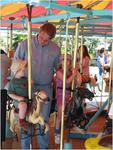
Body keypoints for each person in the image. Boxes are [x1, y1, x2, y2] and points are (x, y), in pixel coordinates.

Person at [13, 23, 61, 149]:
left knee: (43, 119)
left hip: (45, 88)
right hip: (27, 88)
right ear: (39, 32)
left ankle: (44, 147)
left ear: (51, 39)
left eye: (46, 40)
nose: (43, 42)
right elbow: (14, 66)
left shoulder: (55, 49)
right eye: (41, 38)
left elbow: (58, 68)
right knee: (27, 118)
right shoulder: (24, 45)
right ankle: (25, 147)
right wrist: (21, 69)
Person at [54, 54, 78, 144]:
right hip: (61, 93)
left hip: (70, 93)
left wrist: (76, 74)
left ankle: (74, 126)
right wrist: (74, 74)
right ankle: (57, 133)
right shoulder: (59, 72)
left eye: (68, 59)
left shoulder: (70, 71)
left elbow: (76, 82)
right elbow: (67, 82)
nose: (65, 61)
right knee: (61, 112)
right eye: (63, 59)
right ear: (61, 61)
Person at [8, 60, 29, 131]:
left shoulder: (25, 79)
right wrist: (18, 98)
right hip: (18, 101)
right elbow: (10, 93)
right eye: (22, 70)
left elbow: (29, 87)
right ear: (17, 71)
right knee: (23, 105)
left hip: (27, 99)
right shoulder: (13, 82)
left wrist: (31, 83)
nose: (24, 70)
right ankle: (22, 121)